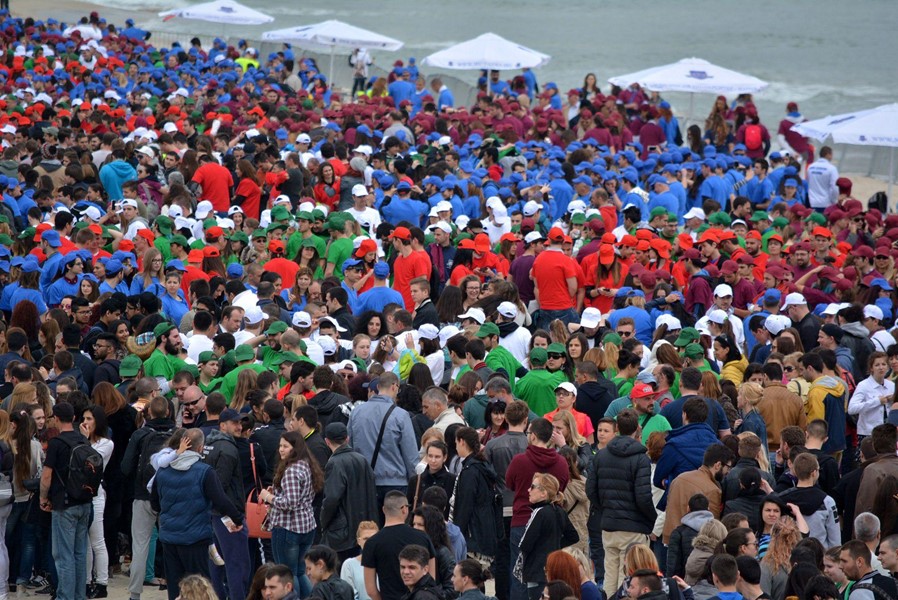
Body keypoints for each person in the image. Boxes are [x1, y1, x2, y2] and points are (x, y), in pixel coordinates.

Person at [151, 427, 245, 600]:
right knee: (199, 588)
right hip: (195, 538)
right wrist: (237, 518)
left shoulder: (163, 471)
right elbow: (221, 500)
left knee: (174, 587)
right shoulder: (205, 472)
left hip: (169, 537)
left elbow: (154, 503)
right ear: (201, 447)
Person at [589, 408, 656, 598]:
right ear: (637, 428)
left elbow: (591, 490)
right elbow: (643, 496)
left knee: (610, 575)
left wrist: (605, 508)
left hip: (609, 523)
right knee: (628, 576)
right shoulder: (641, 458)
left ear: (617, 427)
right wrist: (651, 518)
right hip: (633, 525)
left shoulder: (601, 455)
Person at [39, 401, 95, 600]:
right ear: (73, 418)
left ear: (55, 419)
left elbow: (46, 476)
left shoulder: (56, 443)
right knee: (80, 553)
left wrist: (43, 497)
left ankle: (65, 596)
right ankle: (79, 595)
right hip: (84, 501)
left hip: (63, 504)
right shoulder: (83, 440)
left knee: (64, 556)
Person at [257, 431, 324, 597]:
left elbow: (290, 503)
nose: (281, 449)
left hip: (288, 527)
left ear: (295, 448)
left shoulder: (291, 471)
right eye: (280, 445)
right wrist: (277, 492)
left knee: (287, 573)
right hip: (307, 525)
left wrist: (268, 497)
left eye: (286, 446)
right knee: (300, 571)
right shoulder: (307, 464)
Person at [347, 373, 419, 507]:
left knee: (368, 520)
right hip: (395, 482)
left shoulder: (356, 412)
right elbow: (410, 455)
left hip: (365, 481)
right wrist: (414, 482)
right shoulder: (401, 415)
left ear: (378, 387)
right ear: (394, 386)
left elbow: (349, 446)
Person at [320, 422, 379, 561]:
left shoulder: (334, 463)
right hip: (363, 526)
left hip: (342, 531)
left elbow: (331, 499)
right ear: (347, 438)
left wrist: (323, 521)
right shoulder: (362, 459)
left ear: (327, 441)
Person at [362, 491, 435, 600]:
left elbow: (371, 590)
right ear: (404, 509)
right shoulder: (423, 537)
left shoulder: (372, 543)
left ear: (383, 510)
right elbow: (431, 577)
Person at [516, 473, 579, 600]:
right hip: (553, 567)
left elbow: (525, 544)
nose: (528, 490)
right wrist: (555, 545)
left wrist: (541, 547)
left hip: (536, 569)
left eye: (532, 487)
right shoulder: (559, 511)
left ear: (543, 493)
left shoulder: (539, 512)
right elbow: (573, 536)